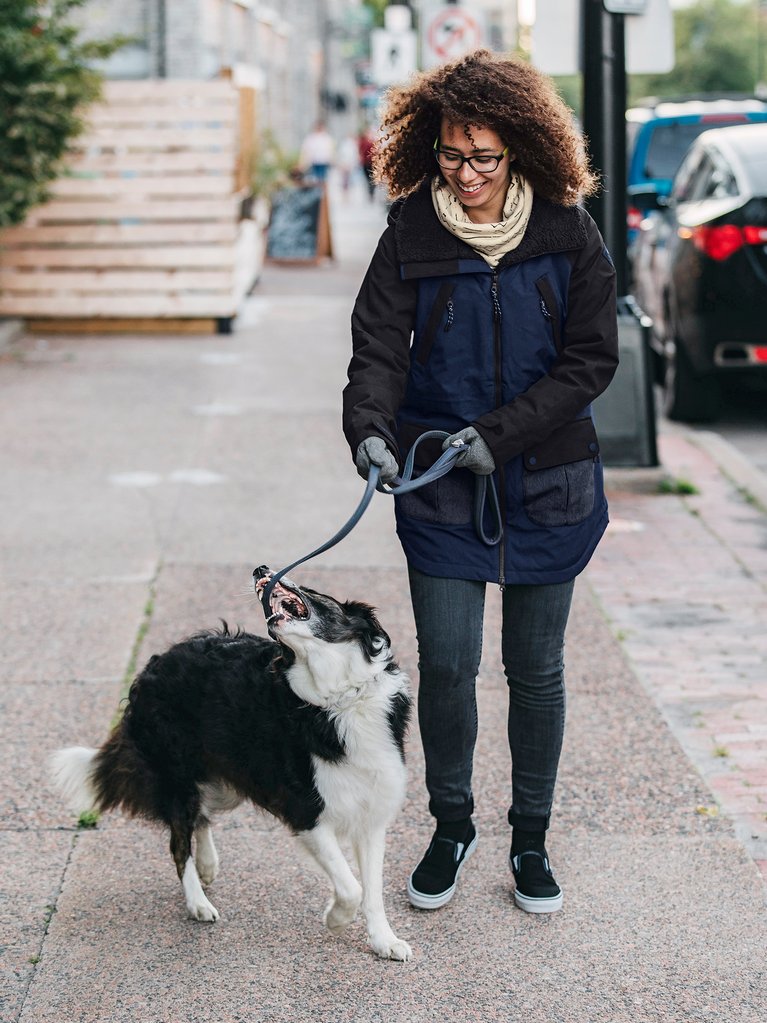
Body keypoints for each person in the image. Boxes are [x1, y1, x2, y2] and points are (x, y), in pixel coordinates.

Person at [342, 50, 619, 914]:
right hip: (436, 481)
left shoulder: (567, 229)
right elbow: (379, 350)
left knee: (534, 668)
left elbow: (590, 360)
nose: (465, 175)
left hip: (548, 478)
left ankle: (529, 837)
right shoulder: (409, 233)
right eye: (451, 156)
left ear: (522, 151)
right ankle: (451, 824)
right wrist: (371, 432)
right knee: (451, 664)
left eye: (484, 157)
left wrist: (496, 437)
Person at [358, 126, 377, 200]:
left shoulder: (372, 141)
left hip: (371, 162)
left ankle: (371, 192)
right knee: (368, 179)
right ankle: (370, 192)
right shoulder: (363, 142)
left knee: (371, 179)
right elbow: (361, 151)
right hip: (366, 163)